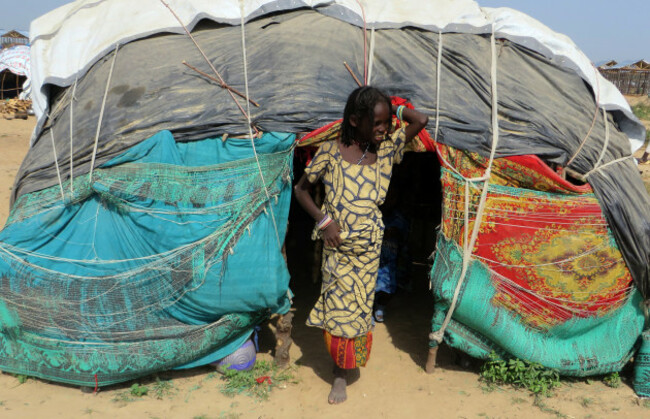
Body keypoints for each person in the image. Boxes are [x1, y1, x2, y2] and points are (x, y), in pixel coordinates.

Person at [293, 86, 428, 404]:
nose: (385, 129)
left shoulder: (386, 150)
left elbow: (420, 119)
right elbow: (301, 190)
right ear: (355, 120)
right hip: (337, 250)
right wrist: (324, 221)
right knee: (339, 313)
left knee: (358, 313)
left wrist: (394, 108)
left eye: (386, 123)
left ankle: (345, 367)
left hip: (368, 251)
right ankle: (339, 373)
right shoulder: (330, 152)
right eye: (377, 123)